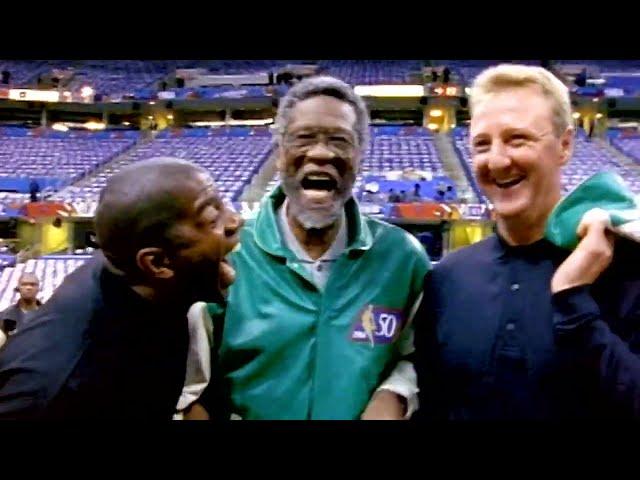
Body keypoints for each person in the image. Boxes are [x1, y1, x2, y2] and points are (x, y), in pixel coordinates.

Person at [414, 64, 640, 419]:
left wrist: (573, 302)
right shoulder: (447, 279)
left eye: (517, 139)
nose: (498, 160)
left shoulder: (626, 265)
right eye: (482, 144)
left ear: (564, 145)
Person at [205, 76, 430, 420]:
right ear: (280, 153)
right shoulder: (228, 255)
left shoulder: (402, 258)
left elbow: (418, 355)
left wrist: (396, 394)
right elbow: (190, 381)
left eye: (340, 140)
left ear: (359, 157)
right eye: (304, 138)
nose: (321, 153)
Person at [0, 158, 243, 419]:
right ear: (158, 263)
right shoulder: (58, 390)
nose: (235, 221)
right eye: (211, 219)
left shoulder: (137, 274)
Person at [0, 272, 42, 342]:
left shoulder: (48, 314)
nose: (29, 287)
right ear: (18, 288)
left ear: (38, 288)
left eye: (33, 284)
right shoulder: (5, 316)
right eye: (24, 284)